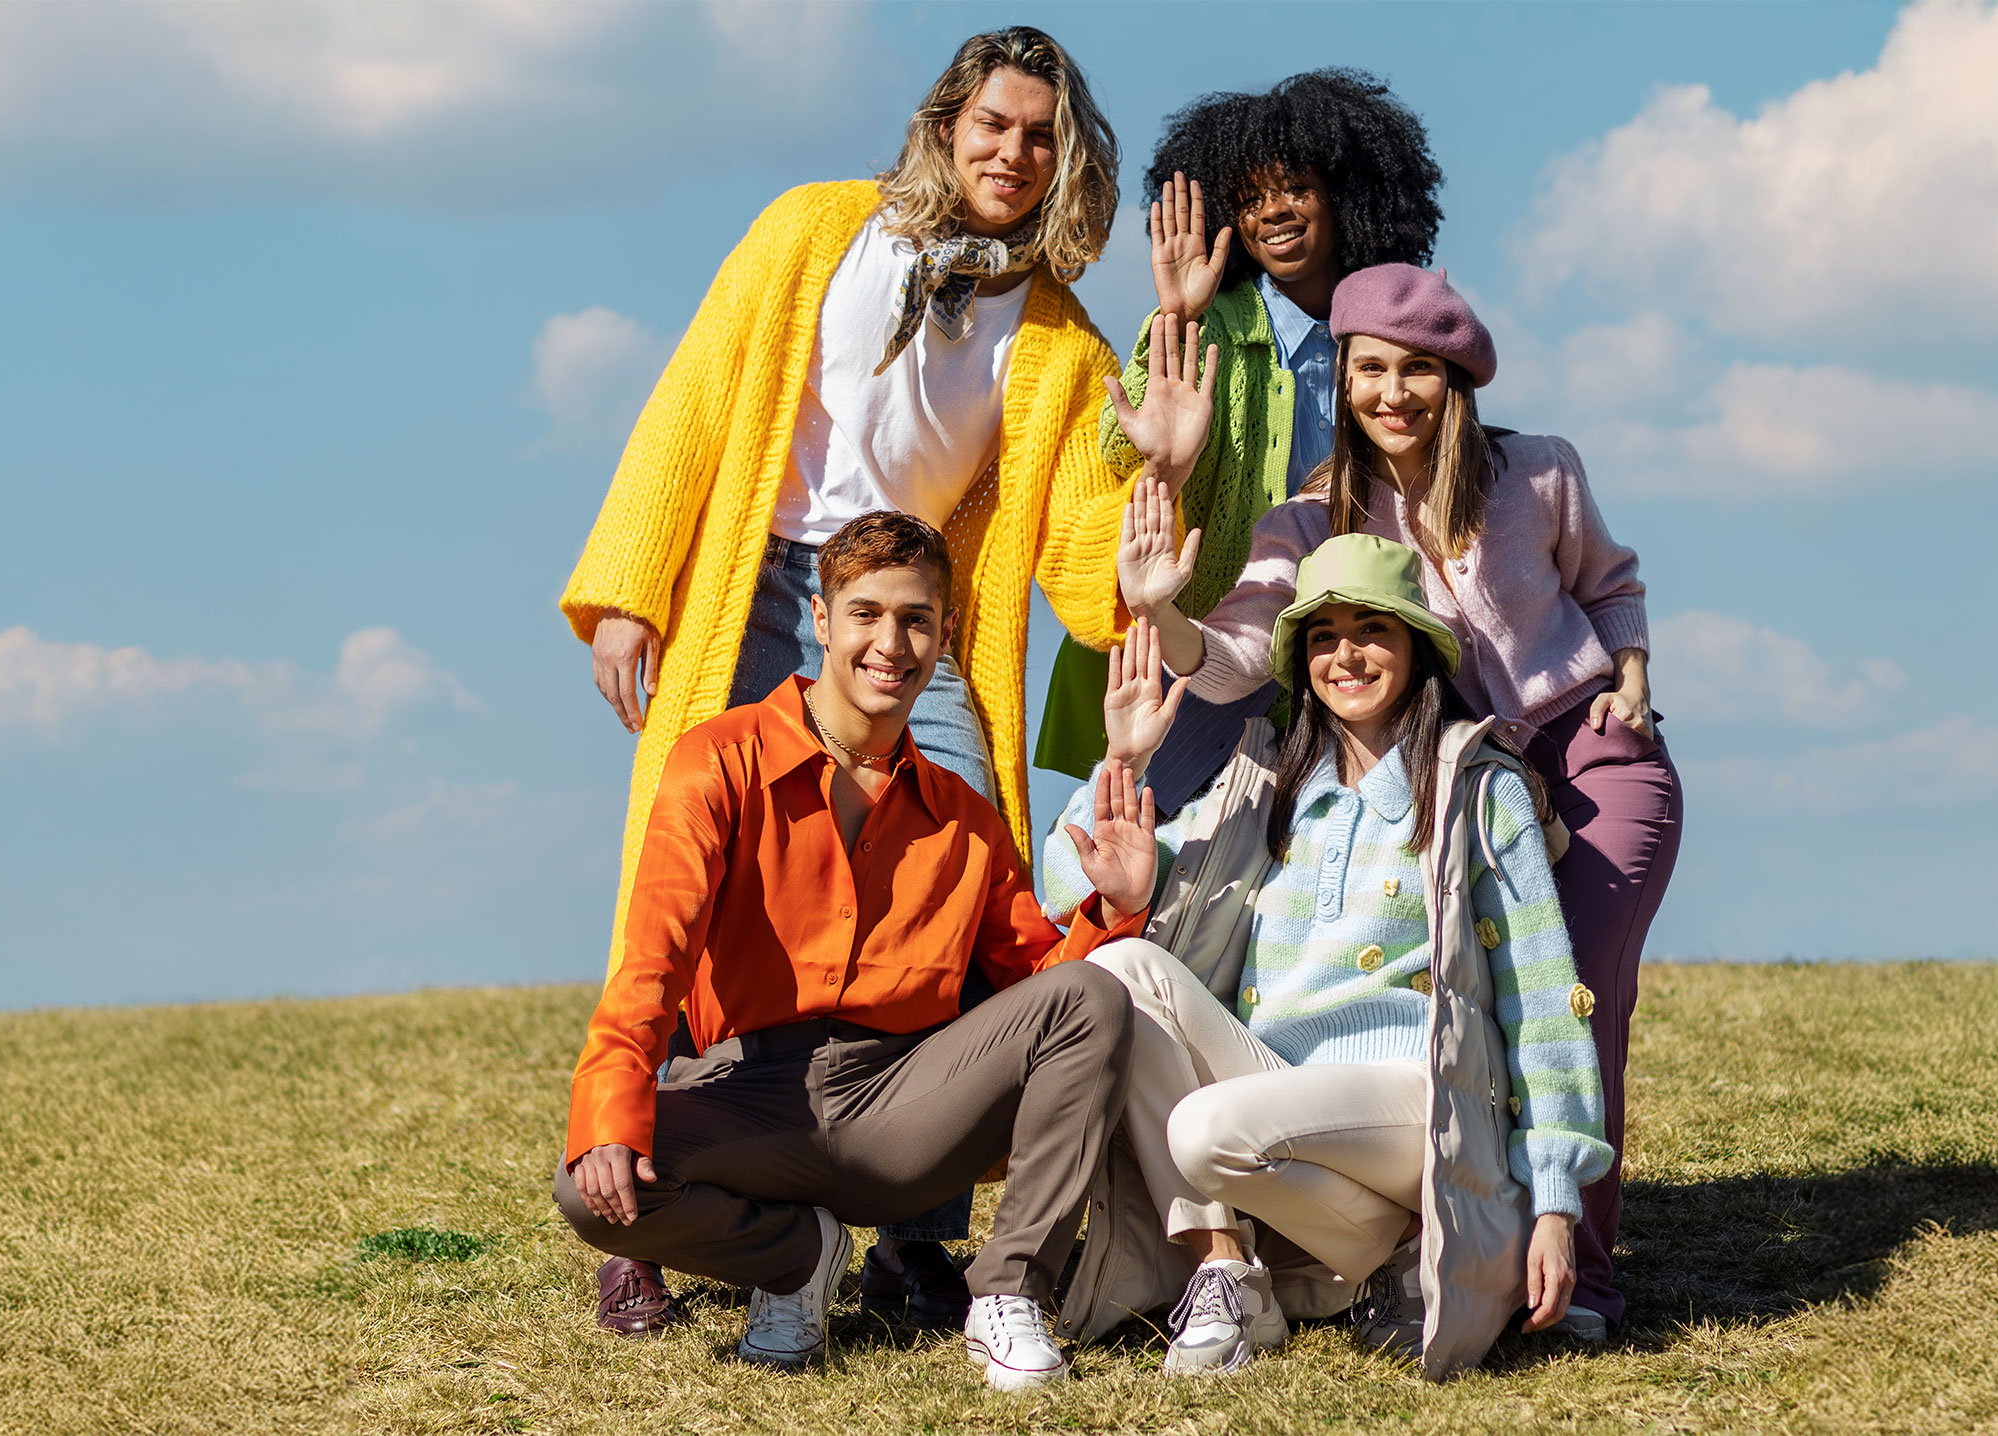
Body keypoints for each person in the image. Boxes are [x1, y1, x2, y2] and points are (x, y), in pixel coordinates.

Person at [560, 26, 1137, 1322]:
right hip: (762, 585)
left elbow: (1097, 565)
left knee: (955, 875)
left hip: (915, 619)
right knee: (696, 876)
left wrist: (1162, 450)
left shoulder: (1058, 337)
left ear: (1068, 161)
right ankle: (644, 1219)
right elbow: (697, 394)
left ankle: (915, 1239)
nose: (1013, 152)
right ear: (945, 125)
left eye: (1041, 137)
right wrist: (628, 588)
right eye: (994, 124)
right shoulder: (815, 232)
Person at [1119, 263, 1683, 1337]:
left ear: (1455, 379)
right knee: (1483, 976)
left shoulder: (1540, 472)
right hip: (1466, 766)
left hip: (1592, 749)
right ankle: (1433, 1235)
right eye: (1369, 368)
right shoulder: (1313, 513)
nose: (1391, 392)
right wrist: (1167, 618)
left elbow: (1610, 585)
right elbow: (1240, 656)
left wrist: (1635, 673)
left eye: (1416, 369)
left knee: (1575, 997)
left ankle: (1579, 1268)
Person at [555, 512, 1159, 1392]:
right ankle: (797, 1256)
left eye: (916, 619)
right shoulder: (717, 761)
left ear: (945, 633)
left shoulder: (964, 817)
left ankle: (1007, 1292)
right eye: (867, 613)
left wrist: (1119, 907)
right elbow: (654, 957)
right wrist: (610, 1107)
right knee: (589, 1187)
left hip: (903, 1109)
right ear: (821, 620)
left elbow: (1043, 983)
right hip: (752, 1095)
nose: (892, 642)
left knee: (1092, 1000)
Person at [1038, 536, 1611, 1380]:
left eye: (1372, 628)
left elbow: (1540, 994)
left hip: (1421, 1098)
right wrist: (1125, 769)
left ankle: (1421, 1249)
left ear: (1417, 648)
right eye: (1321, 634)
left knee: (1201, 1130)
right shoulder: (1269, 786)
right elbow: (1061, 876)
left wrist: (1556, 1205)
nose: (1345, 654)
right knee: (1120, 975)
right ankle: (1229, 1271)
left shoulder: (1479, 790)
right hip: (1278, 1091)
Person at [1033, 70, 1446, 797]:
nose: (1272, 214)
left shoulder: (1380, 335)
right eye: (1250, 199)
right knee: (1141, 859)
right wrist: (1176, 317)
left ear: (1346, 192)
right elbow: (1120, 444)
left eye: (1294, 189)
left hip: (1333, 648)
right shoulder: (1213, 323)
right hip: (1198, 639)